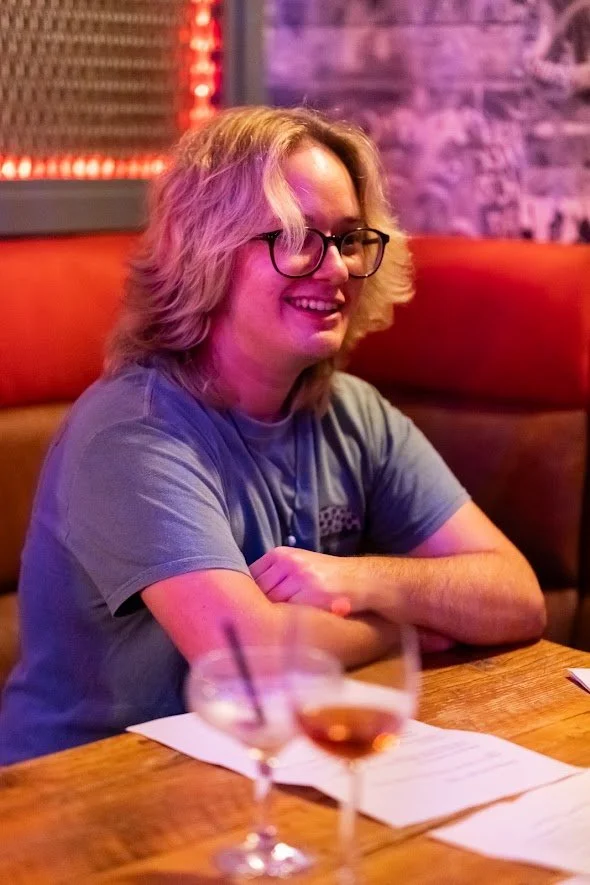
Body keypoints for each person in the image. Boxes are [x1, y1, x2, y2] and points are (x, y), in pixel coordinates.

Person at [0, 106, 546, 764]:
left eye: (347, 239)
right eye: (296, 237)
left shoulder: (353, 411)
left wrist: (366, 579)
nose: (338, 268)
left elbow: (517, 595)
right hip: (83, 804)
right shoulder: (133, 431)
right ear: (208, 253)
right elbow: (250, 662)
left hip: (253, 779)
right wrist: (406, 622)